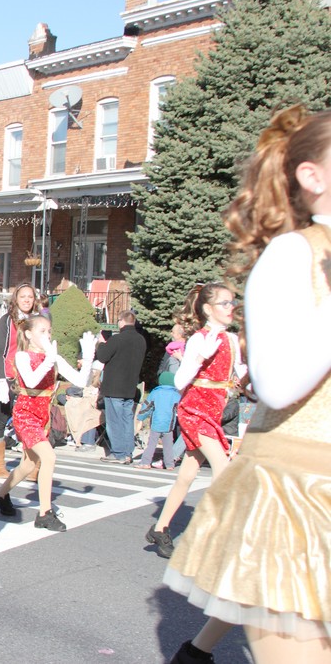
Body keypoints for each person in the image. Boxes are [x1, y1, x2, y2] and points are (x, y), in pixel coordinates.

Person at [163, 106, 331, 664]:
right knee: (216, 471)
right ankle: (184, 537)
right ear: (313, 176)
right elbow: (276, 383)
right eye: (222, 303)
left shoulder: (227, 335)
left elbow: (249, 376)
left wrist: (234, 370)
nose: (228, 307)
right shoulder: (293, 254)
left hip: (230, 410)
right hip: (289, 480)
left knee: (201, 470)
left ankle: (199, 643)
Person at [145, 282, 246, 560]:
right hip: (194, 411)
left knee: (187, 475)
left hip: (214, 411)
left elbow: (240, 374)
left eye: (232, 302)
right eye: (224, 303)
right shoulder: (200, 339)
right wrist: (201, 356)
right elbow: (179, 380)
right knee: (223, 468)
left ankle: (161, 528)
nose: (231, 307)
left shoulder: (233, 340)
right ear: (207, 309)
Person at [0, 315, 95, 532]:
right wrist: (50, 359)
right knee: (49, 457)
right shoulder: (22, 356)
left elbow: (80, 380)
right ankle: (45, 513)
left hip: (43, 415)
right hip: (26, 414)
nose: (48, 335)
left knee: (28, 464)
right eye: (42, 331)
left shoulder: (52, 357)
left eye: (49, 331)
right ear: (28, 334)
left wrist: (90, 357)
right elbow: (32, 380)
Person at [0, 283, 40, 477]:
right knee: (2, 418)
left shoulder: (37, 321)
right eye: (23, 297)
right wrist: (1, 380)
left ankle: (31, 466)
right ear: (16, 300)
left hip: (30, 378)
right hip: (8, 377)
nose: (27, 300)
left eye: (30, 297)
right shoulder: (6, 321)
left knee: (30, 422)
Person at [95, 311, 148, 464]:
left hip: (114, 387)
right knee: (127, 420)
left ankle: (118, 452)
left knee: (114, 420)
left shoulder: (117, 339)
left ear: (121, 322)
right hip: (130, 386)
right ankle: (127, 452)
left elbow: (103, 356)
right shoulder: (141, 340)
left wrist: (101, 343)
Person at [134, 371, 181, 470]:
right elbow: (181, 409)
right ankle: (169, 464)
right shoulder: (176, 395)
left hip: (156, 424)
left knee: (151, 444)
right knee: (168, 446)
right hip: (169, 425)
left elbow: (147, 406)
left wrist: (140, 417)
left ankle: (145, 462)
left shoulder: (155, 393)